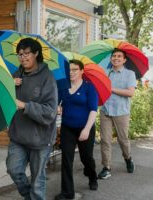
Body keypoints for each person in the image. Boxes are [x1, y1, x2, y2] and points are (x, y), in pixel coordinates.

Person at [6, 38, 58, 200]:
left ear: (36, 53)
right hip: (18, 136)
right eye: (20, 54)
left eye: (27, 53)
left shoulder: (47, 77)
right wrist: (8, 84)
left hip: (40, 139)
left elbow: (50, 112)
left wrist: (24, 105)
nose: (23, 57)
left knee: (37, 180)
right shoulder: (15, 75)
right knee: (13, 170)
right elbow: (4, 98)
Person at [55, 59, 98, 200]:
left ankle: (92, 176)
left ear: (81, 71)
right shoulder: (63, 87)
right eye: (69, 70)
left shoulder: (89, 87)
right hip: (68, 127)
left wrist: (86, 130)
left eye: (74, 69)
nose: (71, 72)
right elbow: (56, 103)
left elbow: (93, 110)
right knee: (67, 159)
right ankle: (67, 192)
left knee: (87, 158)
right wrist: (58, 107)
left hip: (85, 128)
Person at [98, 48, 136, 179]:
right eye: (114, 56)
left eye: (119, 56)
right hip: (105, 111)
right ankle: (106, 167)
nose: (116, 58)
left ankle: (128, 158)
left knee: (123, 139)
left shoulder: (130, 74)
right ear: (111, 59)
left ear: (124, 60)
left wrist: (111, 89)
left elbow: (130, 92)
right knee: (105, 140)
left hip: (121, 112)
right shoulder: (106, 73)